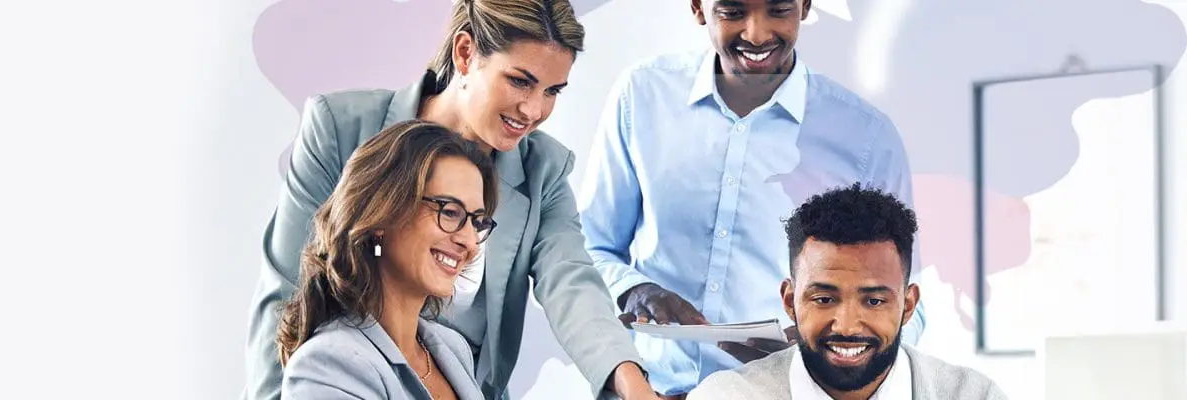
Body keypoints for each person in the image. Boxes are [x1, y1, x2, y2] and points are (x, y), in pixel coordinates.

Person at [245, 1, 658, 399]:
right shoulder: (341, 129)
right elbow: (288, 291)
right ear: (465, 52)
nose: (533, 110)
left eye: (552, 91)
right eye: (520, 80)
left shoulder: (541, 171)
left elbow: (572, 283)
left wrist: (633, 385)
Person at [577, 0, 924, 397]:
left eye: (778, 10)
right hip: (645, 389)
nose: (756, 34)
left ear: (805, 5)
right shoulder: (642, 95)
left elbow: (906, 304)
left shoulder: (865, 137)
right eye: (732, 11)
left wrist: (824, 353)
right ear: (698, 7)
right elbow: (588, 249)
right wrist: (634, 290)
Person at [685, 184, 1004, 399]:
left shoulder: (973, 395)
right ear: (790, 301)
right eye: (824, 299)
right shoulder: (725, 396)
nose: (848, 326)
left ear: (908, 306)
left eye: (874, 301)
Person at [278, 121, 495, 400]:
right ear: (382, 215)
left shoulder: (453, 348)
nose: (470, 242)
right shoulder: (326, 366)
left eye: (477, 222)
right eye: (450, 212)